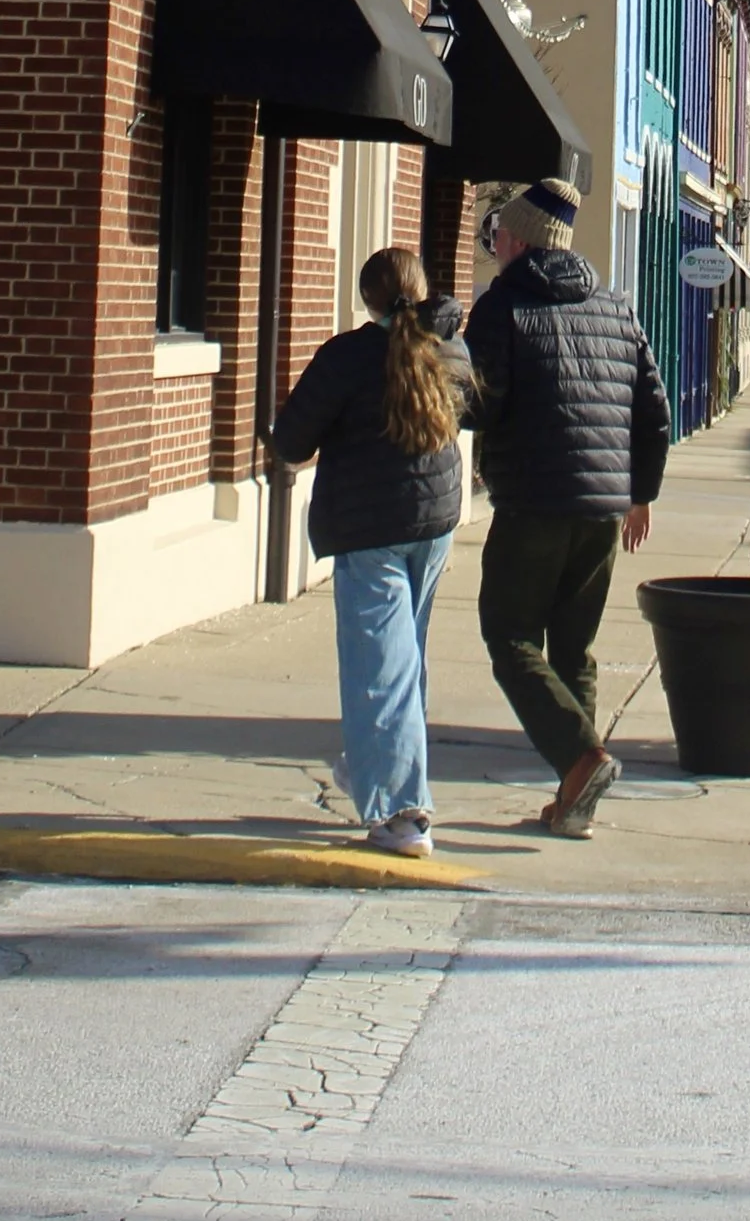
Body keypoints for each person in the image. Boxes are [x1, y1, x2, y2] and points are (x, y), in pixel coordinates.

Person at [468, 178, 671, 838]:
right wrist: (640, 493)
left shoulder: (502, 307)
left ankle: (581, 759)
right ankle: (575, 800)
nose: (494, 243)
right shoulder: (616, 307)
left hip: (533, 500)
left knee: (510, 637)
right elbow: (654, 412)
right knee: (574, 649)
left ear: (521, 241)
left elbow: (482, 401)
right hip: (604, 507)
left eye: (499, 234)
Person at [266, 243, 470, 859]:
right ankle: (371, 764)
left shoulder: (347, 357)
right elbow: (475, 408)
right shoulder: (449, 350)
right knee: (402, 658)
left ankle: (406, 814)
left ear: (367, 297)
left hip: (370, 527)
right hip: (434, 520)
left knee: (380, 670)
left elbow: (292, 441)